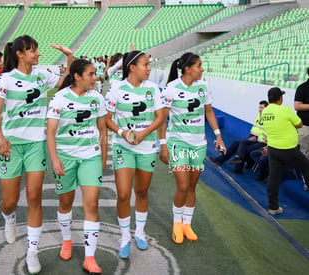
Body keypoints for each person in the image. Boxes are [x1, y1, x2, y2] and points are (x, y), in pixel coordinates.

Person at [0, 34, 73, 274]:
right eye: (33, 50)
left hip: (36, 144)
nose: (38, 54)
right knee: (10, 201)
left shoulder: (42, 75)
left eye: (37, 49)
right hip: (11, 145)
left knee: (34, 196)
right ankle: (9, 218)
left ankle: (32, 252)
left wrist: (69, 56)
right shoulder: (5, 79)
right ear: (20, 54)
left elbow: (67, 81)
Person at [47, 58, 107, 274]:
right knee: (66, 203)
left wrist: (102, 157)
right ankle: (66, 241)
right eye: (90, 74)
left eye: (95, 74)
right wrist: (54, 159)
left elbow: (102, 130)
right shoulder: (59, 99)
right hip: (65, 157)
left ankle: (90, 258)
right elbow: (51, 132)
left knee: (92, 205)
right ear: (77, 76)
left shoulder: (97, 99)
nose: (95, 78)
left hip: (90, 156)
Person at [158, 52, 226, 244]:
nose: (202, 69)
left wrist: (218, 136)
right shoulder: (171, 89)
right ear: (188, 69)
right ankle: (177, 224)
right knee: (183, 185)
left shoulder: (203, 86)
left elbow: (209, 111)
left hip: (199, 143)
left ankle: (187, 224)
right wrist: (163, 145)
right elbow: (162, 120)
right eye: (199, 65)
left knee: (192, 185)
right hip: (177, 143)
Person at [105, 50, 166, 258]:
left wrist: (143, 133)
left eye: (149, 65)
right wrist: (123, 132)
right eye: (145, 65)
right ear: (132, 67)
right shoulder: (116, 89)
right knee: (123, 194)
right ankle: (124, 237)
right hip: (124, 147)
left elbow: (160, 117)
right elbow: (107, 119)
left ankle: (139, 233)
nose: (149, 69)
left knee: (141, 192)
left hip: (147, 147)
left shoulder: (153, 89)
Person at [261, 87, 309, 215]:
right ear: (280, 99)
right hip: (289, 150)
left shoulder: (264, 112)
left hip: (273, 149)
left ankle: (273, 207)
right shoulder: (285, 110)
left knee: (274, 178)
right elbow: (299, 124)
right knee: (306, 167)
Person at [209, 100, 268, 174]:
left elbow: (266, 133)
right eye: (259, 107)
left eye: (262, 108)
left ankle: (238, 166)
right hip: (253, 139)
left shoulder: (267, 119)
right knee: (236, 143)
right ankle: (221, 160)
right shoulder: (259, 116)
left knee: (243, 145)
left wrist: (256, 138)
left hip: (261, 142)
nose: (260, 109)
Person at [294, 67, 309, 159]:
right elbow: (297, 106)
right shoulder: (302, 88)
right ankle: (306, 172)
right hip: (305, 126)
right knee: (305, 152)